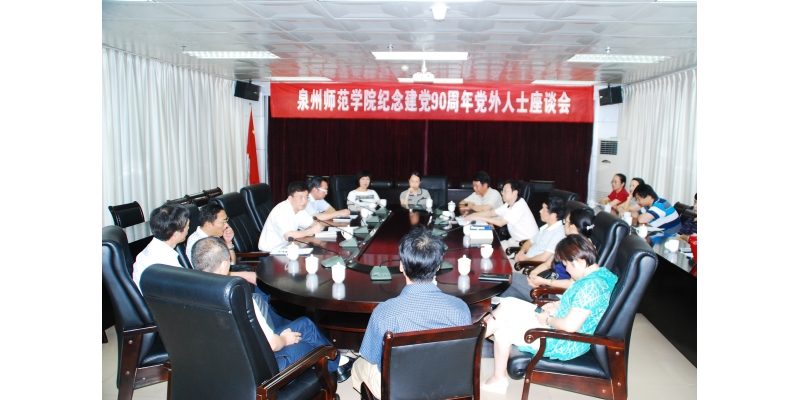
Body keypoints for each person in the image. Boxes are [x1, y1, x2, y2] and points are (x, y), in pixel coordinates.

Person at [190, 236, 355, 382]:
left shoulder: (187, 295)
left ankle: (337, 363)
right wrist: (283, 339)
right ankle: (335, 364)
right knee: (306, 337)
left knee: (304, 325)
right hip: (263, 371)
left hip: (226, 365)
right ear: (224, 264)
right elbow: (273, 344)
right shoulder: (238, 297)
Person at [480, 235, 618, 394]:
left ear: (579, 261)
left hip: (562, 341)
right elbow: (582, 304)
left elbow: (570, 326)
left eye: (566, 265)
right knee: (507, 303)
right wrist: (556, 305)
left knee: (504, 327)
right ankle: (477, 346)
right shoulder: (601, 274)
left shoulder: (591, 286)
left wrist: (547, 319)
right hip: (559, 324)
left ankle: (475, 349)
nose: (566, 270)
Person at [352, 228, 471, 398]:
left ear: (401, 266)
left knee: (359, 365)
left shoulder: (384, 313)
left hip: (400, 390)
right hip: (446, 385)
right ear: (438, 267)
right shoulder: (460, 309)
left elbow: (373, 357)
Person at [500, 196, 567, 301]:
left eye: (544, 209)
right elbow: (529, 242)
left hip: (531, 267)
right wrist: (521, 252)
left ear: (554, 215)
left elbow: (544, 258)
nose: (540, 211)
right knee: (505, 288)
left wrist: (525, 260)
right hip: (523, 261)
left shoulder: (559, 233)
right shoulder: (545, 227)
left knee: (498, 272)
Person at [524, 208, 596, 291]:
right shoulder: (568, 243)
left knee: (512, 281)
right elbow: (548, 264)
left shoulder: (581, 250)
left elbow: (572, 284)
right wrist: (534, 273)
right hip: (548, 282)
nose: (563, 225)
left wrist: (543, 281)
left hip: (557, 292)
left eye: (566, 222)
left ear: (572, 227)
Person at [184, 203, 257, 285]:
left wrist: (228, 242)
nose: (226, 225)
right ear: (208, 224)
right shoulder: (196, 244)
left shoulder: (214, 235)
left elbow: (232, 263)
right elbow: (209, 276)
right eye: (223, 222)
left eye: (226, 221)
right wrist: (246, 276)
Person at [131, 203, 190, 291]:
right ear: (176, 234)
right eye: (187, 226)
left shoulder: (147, 251)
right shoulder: (169, 266)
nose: (189, 228)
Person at [464, 180, 537, 249]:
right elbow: (491, 213)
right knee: (491, 248)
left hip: (528, 244)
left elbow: (501, 222)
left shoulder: (519, 205)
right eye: (502, 191)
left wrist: (477, 217)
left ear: (515, 193)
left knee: (494, 251)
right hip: (515, 241)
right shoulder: (508, 204)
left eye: (506, 191)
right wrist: (473, 215)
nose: (503, 193)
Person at [258, 181, 323, 252]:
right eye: (300, 197)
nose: (304, 201)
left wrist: (315, 225)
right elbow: (288, 236)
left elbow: (311, 223)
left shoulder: (299, 209)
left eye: (306, 197)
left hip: (287, 248)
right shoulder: (281, 211)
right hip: (270, 253)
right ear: (290, 198)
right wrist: (312, 231)